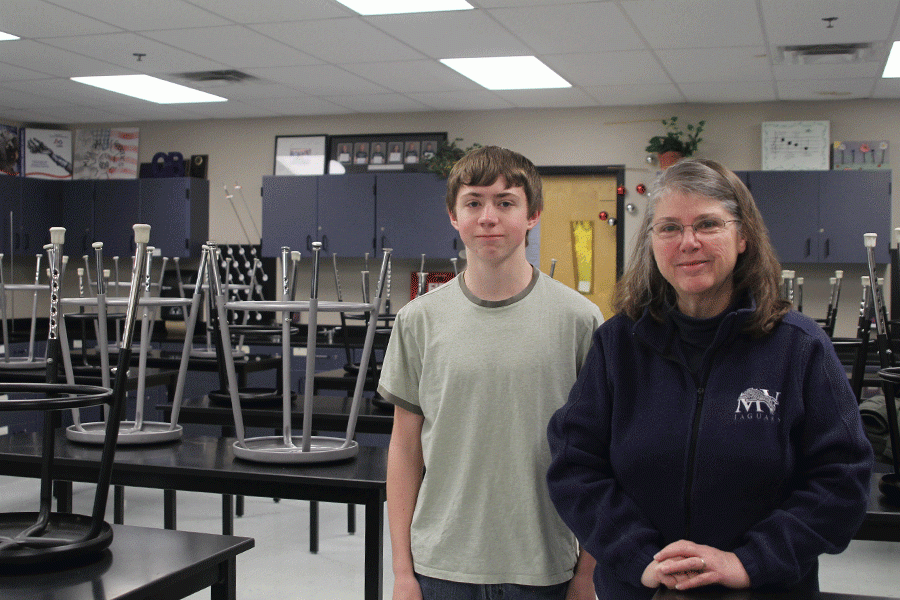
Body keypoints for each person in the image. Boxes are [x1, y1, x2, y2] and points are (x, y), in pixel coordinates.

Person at [546, 158, 874, 599]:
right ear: (651, 242)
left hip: (764, 590)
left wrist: (748, 562)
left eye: (707, 224)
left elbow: (843, 480)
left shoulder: (799, 348)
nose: (688, 242)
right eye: (669, 228)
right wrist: (640, 557)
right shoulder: (618, 346)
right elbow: (575, 466)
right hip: (643, 590)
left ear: (742, 237)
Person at [379, 146, 603, 600]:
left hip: (544, 567)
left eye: (505, 202)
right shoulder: (418, 320)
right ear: (453, 216)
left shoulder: (579, 320)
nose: (488, 217)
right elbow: (404, 450)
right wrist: (403, 573)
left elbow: (602, 452)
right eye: (474, 202)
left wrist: (587, 573)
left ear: (532, 214)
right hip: (440, 567)